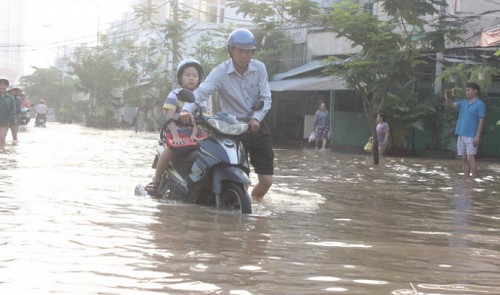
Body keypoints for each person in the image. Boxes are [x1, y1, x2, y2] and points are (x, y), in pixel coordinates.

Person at [180, 28, 273, 202]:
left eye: (248, 51)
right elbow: (201, 93)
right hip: (230, 128)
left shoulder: (260, 68)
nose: (244, 55)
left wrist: (256, 118)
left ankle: (254, 202)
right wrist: (186, 110)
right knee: (233, 173)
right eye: (240, 50)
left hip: (255, 126)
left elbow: (266, 98)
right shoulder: (220, 71)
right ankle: (233, 201)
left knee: (267, 180)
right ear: (231, 49)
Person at [145, 59, 205, 196]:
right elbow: (170, 119)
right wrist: (176, 136)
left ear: (199, 79)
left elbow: (201, 119)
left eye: (195, 76)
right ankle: (156, 180)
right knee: (170, 150)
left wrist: (194, 135)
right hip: (175, 131)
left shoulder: (202, 96)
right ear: (180, 78)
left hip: (194, 133)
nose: (191, 78)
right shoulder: (174, 95)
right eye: (187, 75)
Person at [444, 82, 486, 177]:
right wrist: (447, 98)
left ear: (475, 91)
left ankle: (474, 180)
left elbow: (481, 121)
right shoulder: (463, 103)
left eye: (469, 90)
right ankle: (466, 179)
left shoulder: (480, 104)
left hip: (472, 135)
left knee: (471, 158)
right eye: (466, 90)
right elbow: (451, 105)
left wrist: (477, 136)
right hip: (461, 134)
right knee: (464, 159)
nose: (466, 92)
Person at [0, 78, 16, 149]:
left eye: (4, 85)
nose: (2, 87)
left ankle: (2, 150)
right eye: (0, 85)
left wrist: (13, 119)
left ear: (7, 86)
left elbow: (13, 110)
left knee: (2, 137)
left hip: (5, 121)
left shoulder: (10, 98)